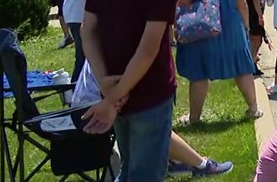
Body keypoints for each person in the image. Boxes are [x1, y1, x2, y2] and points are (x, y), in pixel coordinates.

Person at [79, 0, 181, 182]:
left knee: (129, 170)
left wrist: (108, 88)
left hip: (113, 88)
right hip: (149, 92)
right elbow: (149, 49)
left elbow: (88, 30)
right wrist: (116, 95)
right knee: (144, 174)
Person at [72, 60, 233, 177]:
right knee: (154, 126)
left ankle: (176, 163)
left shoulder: (108, 32)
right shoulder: (120, 41)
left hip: (91, 105)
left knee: (150, 125)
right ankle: (202, 166)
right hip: (94, 110)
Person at [175, 0, 262, 125]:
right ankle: (253, 108)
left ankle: (194, 118)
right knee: (242, 68)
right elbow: (242, 4)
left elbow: (183, 2)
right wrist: (245, 27)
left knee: (199, 72)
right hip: (232, 27)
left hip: (205, 26)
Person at [238, 0, 267, 75]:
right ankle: (251, 63)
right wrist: (260, 16)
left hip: (249, 15)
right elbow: (256, 1)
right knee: (257, 41)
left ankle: (251, 62)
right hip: (255, 16)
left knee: (252, 39)